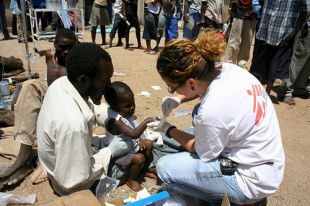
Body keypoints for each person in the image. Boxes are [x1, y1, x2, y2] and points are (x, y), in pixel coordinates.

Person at [149, 30, 285, 205]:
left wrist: (168, 129)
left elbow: (197, 148)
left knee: (165, 168)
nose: (173, 91)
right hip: (268, 162)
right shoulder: (228, 69)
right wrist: (178, 98)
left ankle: (225, 199)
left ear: (191, 82)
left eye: (172, 88)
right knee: (198, 113)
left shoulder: (212, 111)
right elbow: (199, 88)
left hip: (250, 182)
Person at [0, 28, 77, 190]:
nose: (67, 51)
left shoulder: (78, 59)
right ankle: (24, 155)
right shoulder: (49, 55)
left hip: (70, 102)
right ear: (55, 45)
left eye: (71, 46)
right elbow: (40, 52)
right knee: (29, 86)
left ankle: (44, 158)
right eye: (63, 47)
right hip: (51, 97)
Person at [36, 43, 115, 196]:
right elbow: (72, 181)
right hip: (72, 184)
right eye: (105, 81)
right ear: (84, 80)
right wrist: (110, 152)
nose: (109, 86)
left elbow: (91, 107)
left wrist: (116, 117)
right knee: (130, 158)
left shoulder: (63, 83)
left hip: (63, 159)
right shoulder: (73, 125)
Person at [103, 81, 156, 191]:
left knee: (148, 144)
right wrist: (146, 122)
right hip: (120, 153)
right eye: (127, 106)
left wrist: (140, 139)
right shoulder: (115, 121)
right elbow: (134, 133)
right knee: (139, 158)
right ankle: (131, 179)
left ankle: (144, 171)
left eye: (133, 103)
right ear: (115, 106)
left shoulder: (126, 114)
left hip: (130, 145)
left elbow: (134, 128)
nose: (132, 107)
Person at [249, 0, 308, 95]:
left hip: (284, 33)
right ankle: (256, 92)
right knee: (259, 65)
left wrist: (296, 29)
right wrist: (260, 15)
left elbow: (305, 10)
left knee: (275, 68)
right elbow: (257, 2)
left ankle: (266, 94)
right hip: (265, 29)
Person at [277, 16, 310, 105]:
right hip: (306, 25)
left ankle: (299, 89)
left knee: (307, 62)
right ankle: (285, 92)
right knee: (298, 59)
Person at [224, 0, 257, 68]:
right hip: (238, 13)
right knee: (234, 41)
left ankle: (241, 64)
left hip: (252, 15)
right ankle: (229, 64)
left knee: (247, 42)